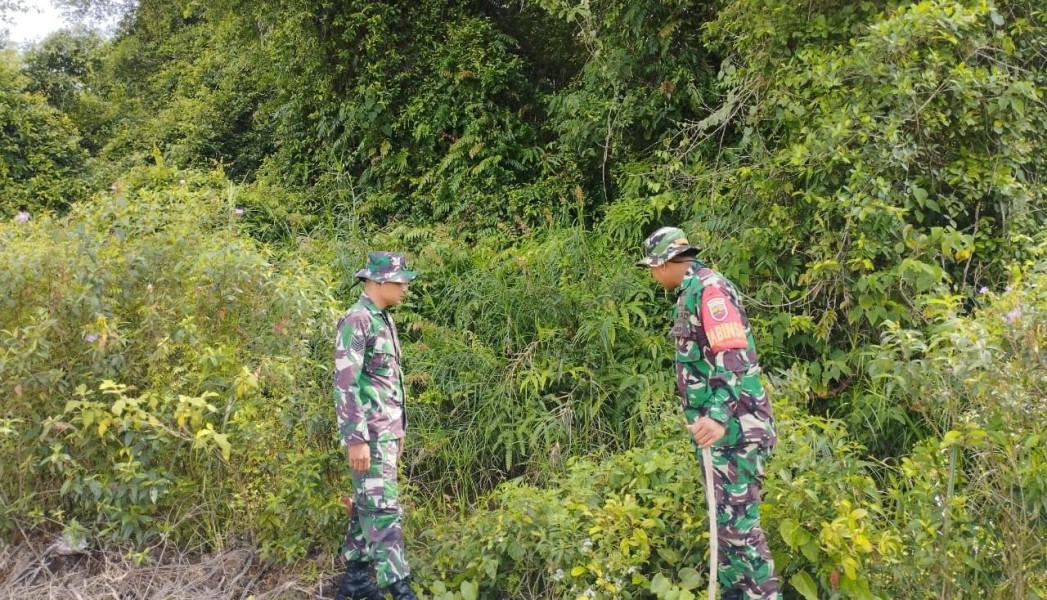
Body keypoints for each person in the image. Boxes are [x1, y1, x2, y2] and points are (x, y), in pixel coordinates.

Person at [636, 227, 779, 599]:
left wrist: (716, 417)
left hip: (738, 433)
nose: (652, 275)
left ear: (668, 262)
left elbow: (733, 357)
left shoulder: (710, 292)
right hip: (720, 440)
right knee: (726, 533)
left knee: (741, 536)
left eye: (653, 267)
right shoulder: (689, 292)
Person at [333, 251, 419, 600]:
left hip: (384, 434)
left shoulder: (383, 320)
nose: (404, 288)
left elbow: (387, 385)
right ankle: (400, 590)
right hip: (367, 436)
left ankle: (355, 582)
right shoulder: (357, 320)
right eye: (400, 281)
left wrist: (397, 431)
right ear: (379, 281)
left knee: (368, 503)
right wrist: (356, 439)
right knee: (384, 511)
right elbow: (346, 383)